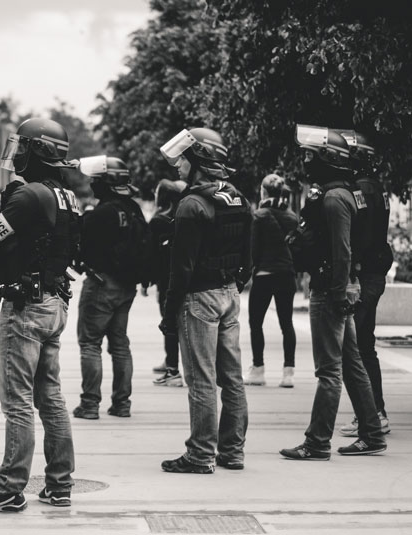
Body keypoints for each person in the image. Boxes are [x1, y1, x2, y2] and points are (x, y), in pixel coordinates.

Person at [0, 118, 80, 512]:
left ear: (37, 152)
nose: (16, 155)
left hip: (26, 308)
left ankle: (9, 487)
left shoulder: (29, 195)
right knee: (50, 398)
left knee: (17, 402)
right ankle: (60, 484)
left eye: (23, 148)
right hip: (54, 302)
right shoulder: (66, 196)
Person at [280, 125, 386, 460]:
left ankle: (317, 442)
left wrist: (339, 293)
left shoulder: (333, 198)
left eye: (310, 155)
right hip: (338, 287)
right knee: (352, 365)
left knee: (328, 371)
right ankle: (372, 433)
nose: (305, 161)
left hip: (330, 291)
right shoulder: (344, 192)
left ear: (327, 158)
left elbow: (343, 251)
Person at [158, 127, 252, 473]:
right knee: (232, 378)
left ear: (198, 161)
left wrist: (169, 313)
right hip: (229, 294)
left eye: (183, 159)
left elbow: (180, 268)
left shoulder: (191, 204)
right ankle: (233, 451)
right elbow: (249, 257)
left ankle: (200, 455)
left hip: (199, 298)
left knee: (201, 379)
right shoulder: (238, 198)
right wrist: (232, 285)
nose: (177, 165)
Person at [71, 156, 148, 419]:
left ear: (106, 183)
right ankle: (122, 404)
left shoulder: (102, 213)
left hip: (101, 285)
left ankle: (89, 405)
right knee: (120, 345)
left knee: (90, 344)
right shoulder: (134, 209)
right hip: (127, 287)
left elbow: (82, 245)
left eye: (96, 180)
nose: (92, 184)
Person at [333, 130, 393, 438]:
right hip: (374, 273)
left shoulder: (360, 190)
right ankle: (376, 412)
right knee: (365, 346)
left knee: (354, 349)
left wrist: (351, 272)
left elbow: (360, 236)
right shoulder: (377, 187)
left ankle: (369, 415)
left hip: (364, 274)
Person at [244, 174, 299, 388]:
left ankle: (258, 370)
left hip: (264, 275)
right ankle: (288, 373)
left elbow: (254, 249)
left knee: (256, 323)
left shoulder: (259, 215)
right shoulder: (292, 217)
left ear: (264, 192)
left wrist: (253, 267)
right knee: (287, 324)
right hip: (286, 274)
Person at [150, 178, 187, 386]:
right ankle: (171, 362)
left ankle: (173, 369)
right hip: (185, 277)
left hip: (166, 281)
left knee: (169, 323)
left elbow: (152, 255)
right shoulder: (184, 218)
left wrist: (147, 281)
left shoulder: (158, 221)